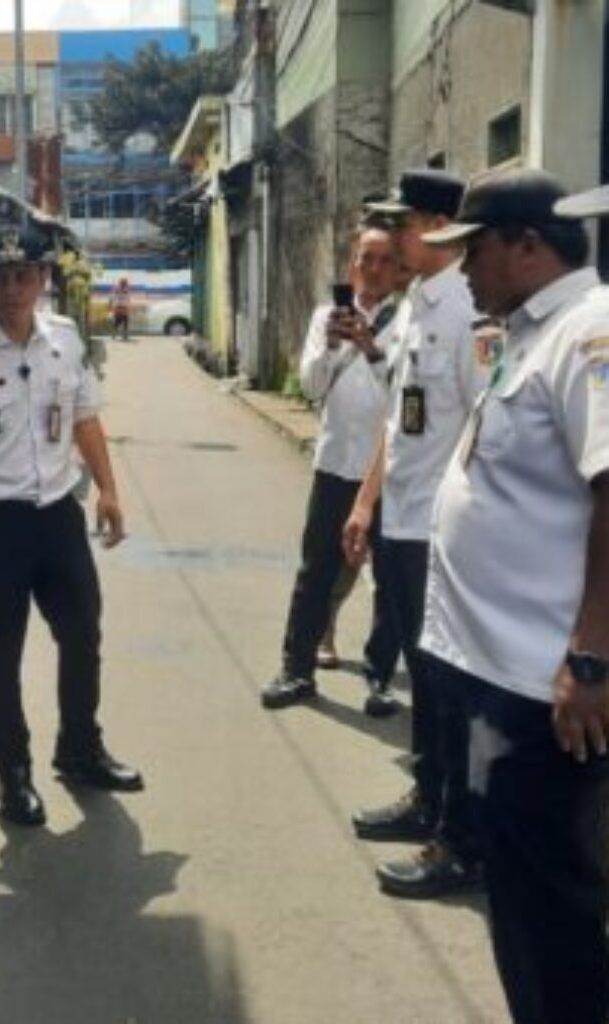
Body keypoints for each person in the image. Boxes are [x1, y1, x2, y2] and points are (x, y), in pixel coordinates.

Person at [418, 169, 609, 1024]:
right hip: (498, 674)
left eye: (476, 250)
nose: (463, 270)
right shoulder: (525, 332)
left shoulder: (589, 332)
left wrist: (592, 658)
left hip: (547, 690)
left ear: (529, 245)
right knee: (518, 892)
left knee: (548, 909)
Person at [0, 225, 143, 827]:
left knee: (83, 633)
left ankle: (79, 747)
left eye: (23, 275)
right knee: (4, 650)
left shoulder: (64, 340)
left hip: (57, 513)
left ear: (43, 279)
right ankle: (12, 774)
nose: (12, 288)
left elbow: (85, 416)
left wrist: (109, 489)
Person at [342, 169, 491, 899]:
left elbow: (483, 428)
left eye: (400, 227)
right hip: (400, 521)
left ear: (435, 225)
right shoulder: (413, 307)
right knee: (424, 683)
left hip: (440, 530)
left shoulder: (471, 308)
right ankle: (428, 799)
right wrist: (367, 504)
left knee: (448, 691)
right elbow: (398, 419)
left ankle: (459, 839)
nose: (392, 241)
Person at [261, 226, 401, 716]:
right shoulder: (326, 316)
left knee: (391, 578)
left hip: (391, 470)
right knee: (315, 570)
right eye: (366, 258)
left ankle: (380, 677)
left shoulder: (407, 320)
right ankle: (296, 669)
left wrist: (372, 349)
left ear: (399, 269)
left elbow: (408, 398)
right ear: (351, 265)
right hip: (336, 463)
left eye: (385, 260)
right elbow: (309, 385)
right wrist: (337, 345)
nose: (373, 268)